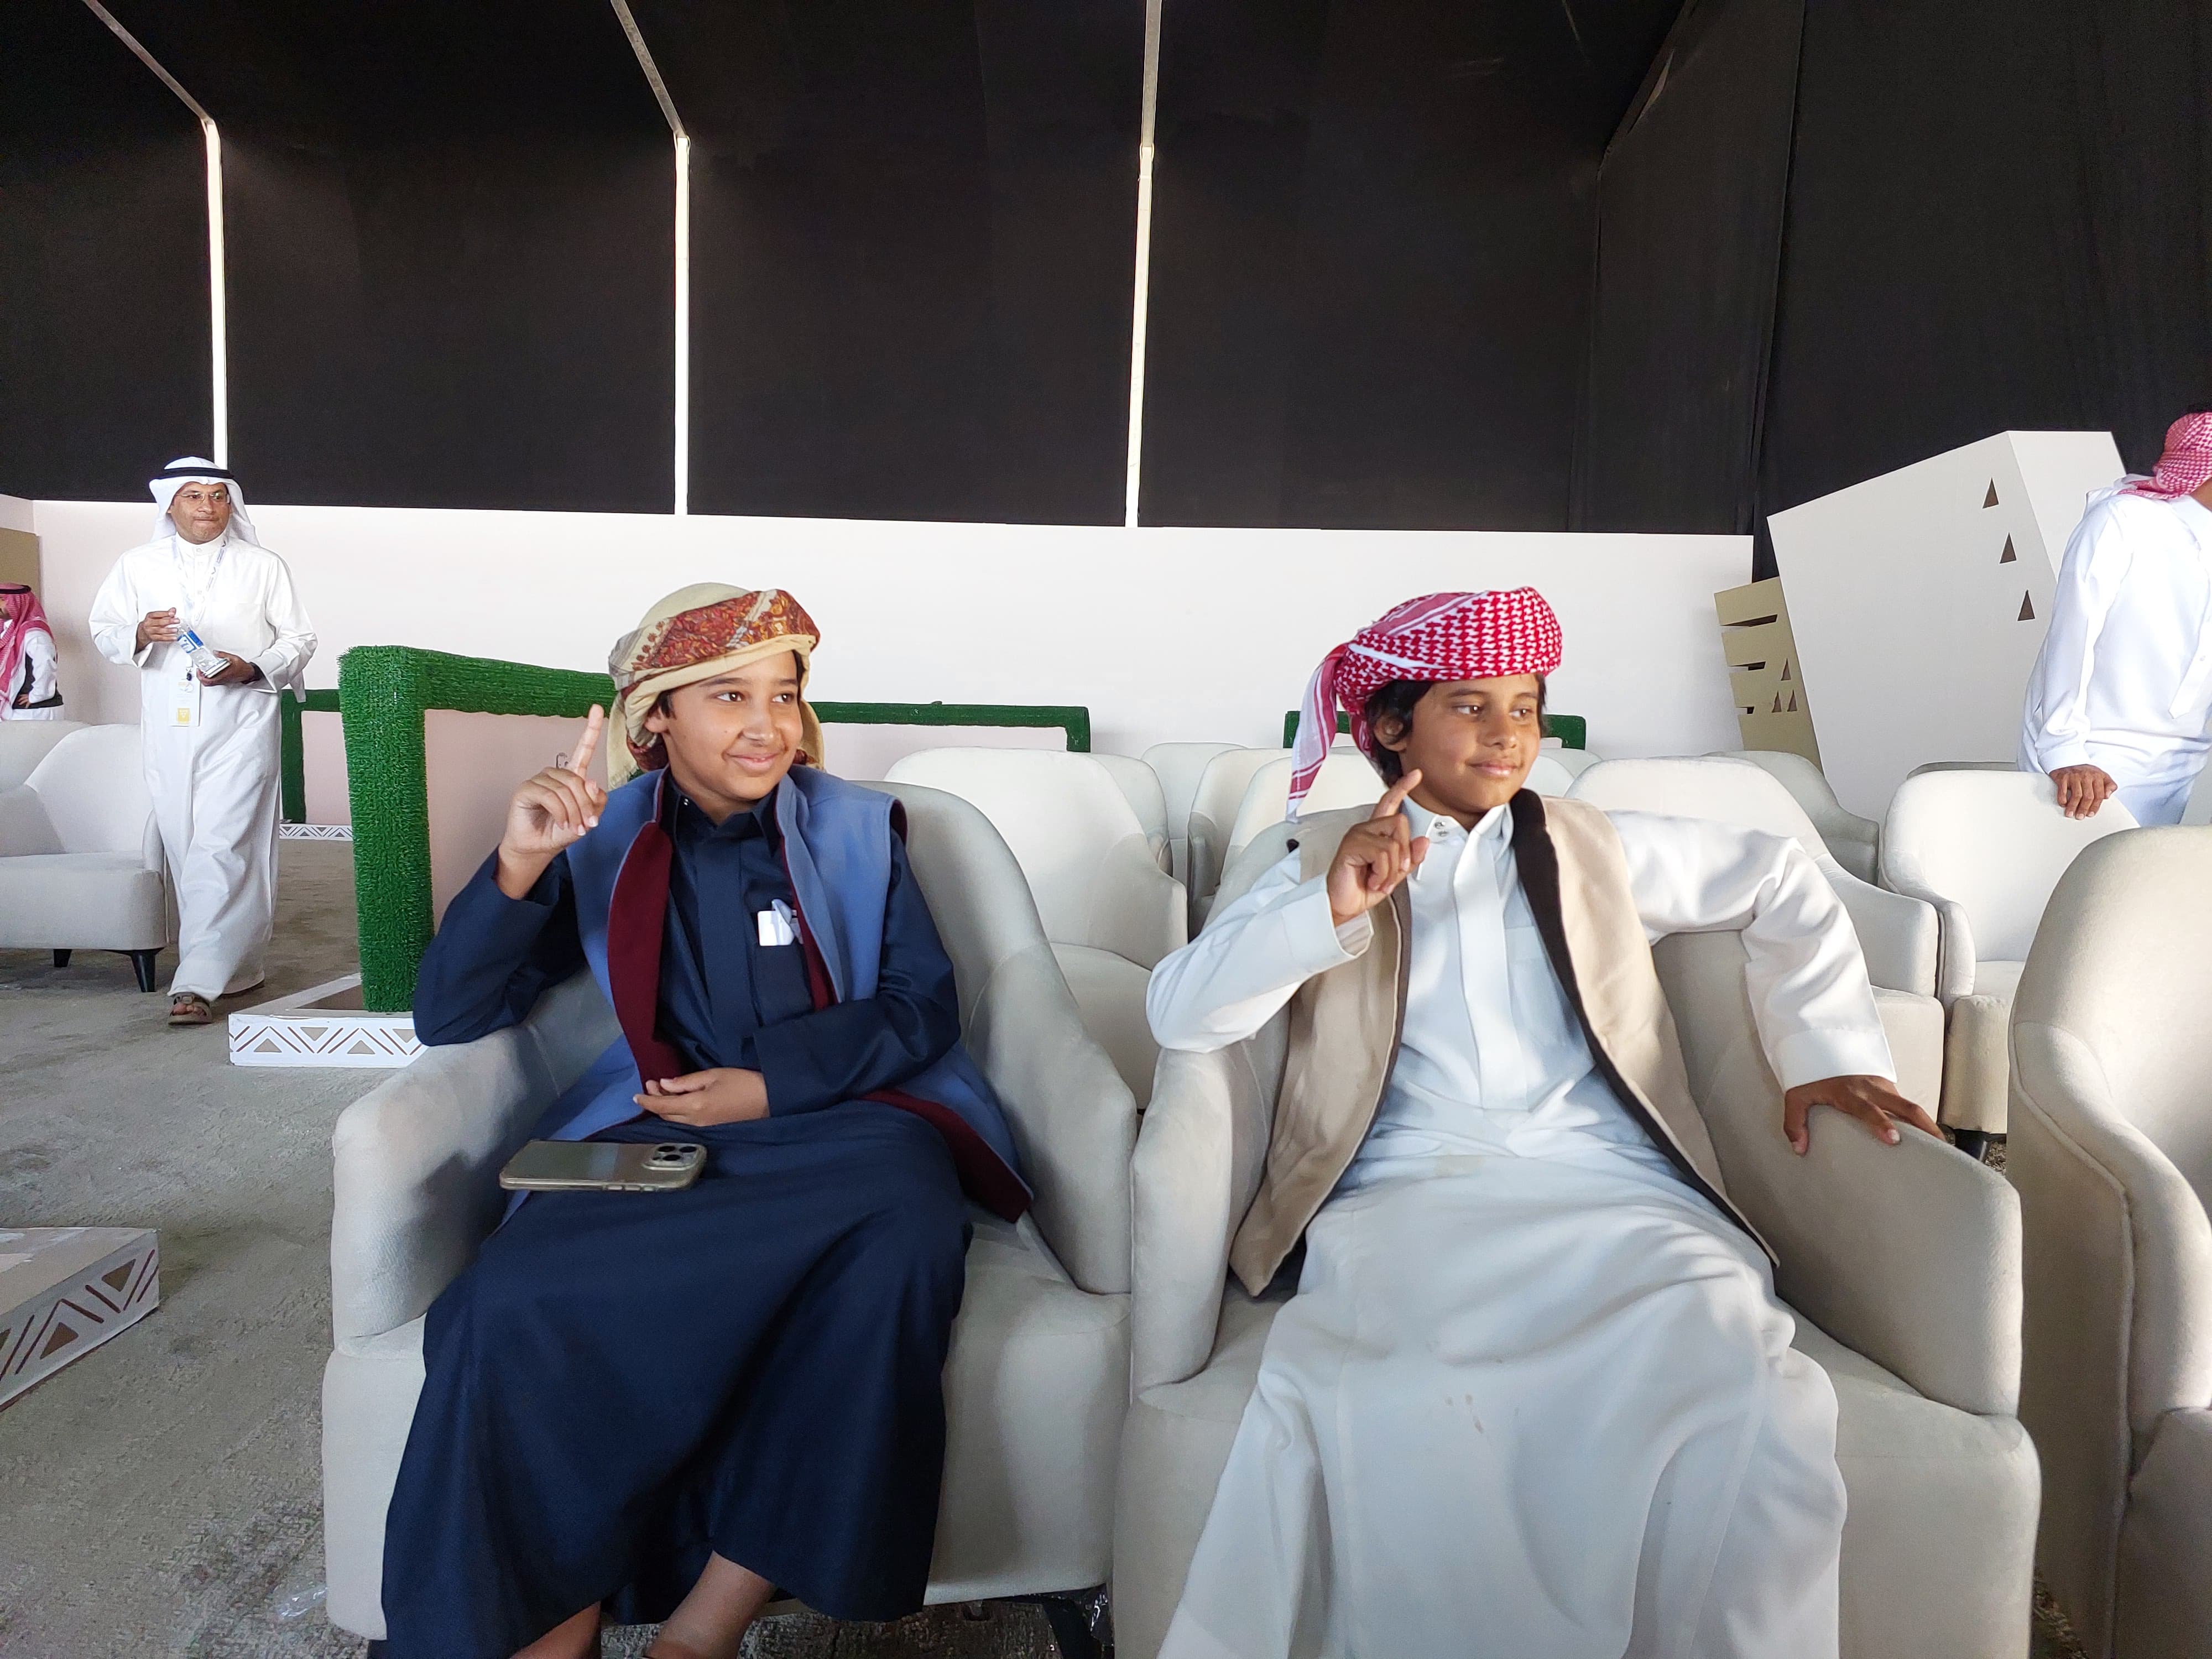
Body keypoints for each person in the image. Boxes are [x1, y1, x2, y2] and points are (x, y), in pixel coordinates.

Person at [1146, 589, 1944, 1659]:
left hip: (1616, 1183)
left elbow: (1782, 879)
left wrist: (1827, 1052)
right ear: (1392, 728)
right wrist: (1329, 907)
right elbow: (1179, 1012)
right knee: (1405, 1400)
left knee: (1736, 1372)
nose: (1507, 735)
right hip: (1409, 1196)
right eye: (1470, 706)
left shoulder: (1593, 843)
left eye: (1524, 709)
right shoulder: (1317, 854)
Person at [381, 583, 1029, 1659]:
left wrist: (769, 1085)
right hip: (657, 1131)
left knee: (903, 1237)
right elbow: (450, 1015)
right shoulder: (600, 835)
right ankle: (552, 1621)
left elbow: (919, 1005)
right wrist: (522, 862)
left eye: (783, 693)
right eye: (729, 696)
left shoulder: (858, 830)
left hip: (846, 1130)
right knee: (513, 1299)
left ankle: (703, 1629)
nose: (768, 724)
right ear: (658, 716)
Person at [86, 458, 316, 1024]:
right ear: (171, 505)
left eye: (218, 496)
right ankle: (232, 966)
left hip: (243, 723)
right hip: (169, 729)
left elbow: (299, 638)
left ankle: (194, 985)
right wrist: (140, 632)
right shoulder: (137, 565)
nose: (208, 507)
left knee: (224, 845)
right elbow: (104, 630)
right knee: (187, 846)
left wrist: (251, 667)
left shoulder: (263, 565)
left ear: (231, 503)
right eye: (194, 496)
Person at [2021, 404, 2212, 823]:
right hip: (2095, 761)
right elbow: (2074, 636)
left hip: (2189, 766)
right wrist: (2065, 752)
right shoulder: (2124, 520)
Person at [0, 583, 63, 718]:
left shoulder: (35, 633)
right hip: (20, 710)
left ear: (18, 603)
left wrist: (37, 695)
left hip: (36, 711)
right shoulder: (9, 630)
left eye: (3, 600)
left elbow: (45, 664)